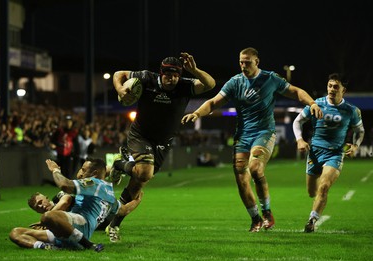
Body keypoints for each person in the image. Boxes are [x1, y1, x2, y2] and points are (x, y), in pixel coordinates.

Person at [181, 47, 323, 232]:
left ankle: (267, 213)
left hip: (264, 132)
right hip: (243, 135)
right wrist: (197, 113)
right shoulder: (235, 82)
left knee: (255, 169)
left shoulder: (270, 78)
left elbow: (295, 91)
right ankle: (255, 218)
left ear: (257, 62)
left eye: (247, 62)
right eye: (241, 61)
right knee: (241, 177)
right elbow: (214, 102)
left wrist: (312, 103)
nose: (243, 65)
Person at [107, 52, 216, 242]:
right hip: (141, 135)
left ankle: (114, 223)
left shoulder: (184, 86)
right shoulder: (147, 78)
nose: (172, 78)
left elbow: (210, 84)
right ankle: (119, 166)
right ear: (161, 73)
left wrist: (195, 70)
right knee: (145, 172)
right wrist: (119, 88)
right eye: (168, 75)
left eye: (176, 75)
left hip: (163, 142)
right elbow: (119, 73)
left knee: (138, 183)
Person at [9, 157, 143, 251]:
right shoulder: (109, 194)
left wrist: (55, 170)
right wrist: (137, 201)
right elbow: (123, 210)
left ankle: (88, 245)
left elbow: (64, 185)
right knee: (15, 233)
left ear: (94, 174)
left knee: (47, 217)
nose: (81, 173)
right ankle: (46, 247)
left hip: (81, 226)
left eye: (84, 170)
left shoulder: (94, 183)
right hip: (70, 229)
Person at [292, 73, 365, 233]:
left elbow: (359, 130)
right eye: (330, 86)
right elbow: (298, 121)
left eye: (336, 87)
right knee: (312, 192)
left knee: (324, 186)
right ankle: (319, 199)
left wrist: (356, 145)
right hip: (315, 153)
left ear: (343, 90)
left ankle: (312, 220)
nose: (331, 89)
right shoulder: (316, 104)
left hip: (335, 153)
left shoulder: (351, 111)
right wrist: (300, 140)